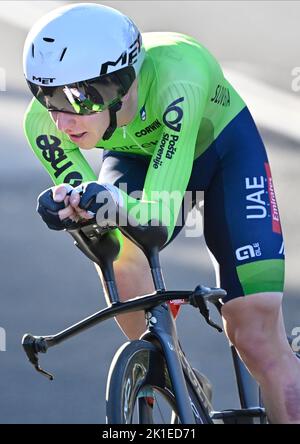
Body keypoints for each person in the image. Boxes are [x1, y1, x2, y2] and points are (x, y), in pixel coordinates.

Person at [23, 3, 300, 423]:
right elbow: (95, 207)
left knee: (255, 333)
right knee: (119, 257)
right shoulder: (41, 124)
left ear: (119, 83)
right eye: (45, 96)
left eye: (74, 98)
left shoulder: (178, 76)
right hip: (137, 159)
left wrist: (110, 205)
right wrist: (74, 208)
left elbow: (157, 215)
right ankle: (181, 379)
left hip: (224, 152)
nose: (59, 120)